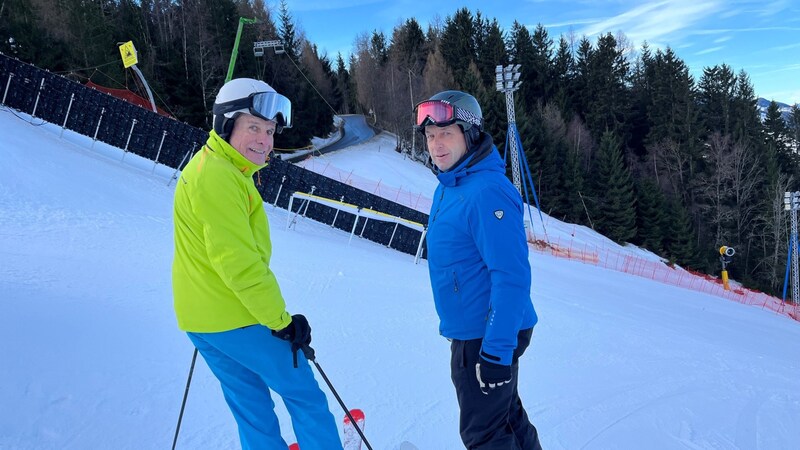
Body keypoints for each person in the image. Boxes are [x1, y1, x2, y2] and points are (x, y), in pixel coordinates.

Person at [172, 78, 342, 450]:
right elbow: (239, 264)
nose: (264, 140)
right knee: (303, 394)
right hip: (236, 316)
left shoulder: (213, 167)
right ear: (226, 123)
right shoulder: (218, 177)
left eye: (269, 130)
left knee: (251, 406)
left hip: (202, 319)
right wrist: (281, 322)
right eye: (253, 127)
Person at [415, 90, 542, 449]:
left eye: (446, 134)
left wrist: (496, 352)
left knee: (483, 435)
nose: (436, 145)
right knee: (506, 418)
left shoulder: (486, 191)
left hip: (485, 333)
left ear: (469, 135)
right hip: (475, 327)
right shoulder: (452, 183)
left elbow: (511, 275)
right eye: (430, 135)